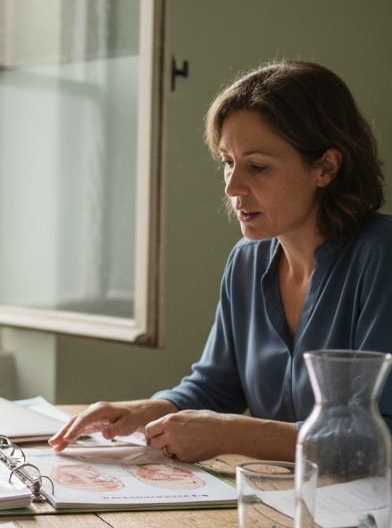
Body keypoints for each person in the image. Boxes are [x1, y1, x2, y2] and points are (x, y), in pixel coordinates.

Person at [50, 60, 391, 464]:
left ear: (326, 167)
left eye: (257, 167)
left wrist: (233, 433)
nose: (232, 186)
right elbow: (215, 388)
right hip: (281, 502)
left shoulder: (380, 257)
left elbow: (376, 436)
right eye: (228, 162)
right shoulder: (247, 261)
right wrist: (146, 411)